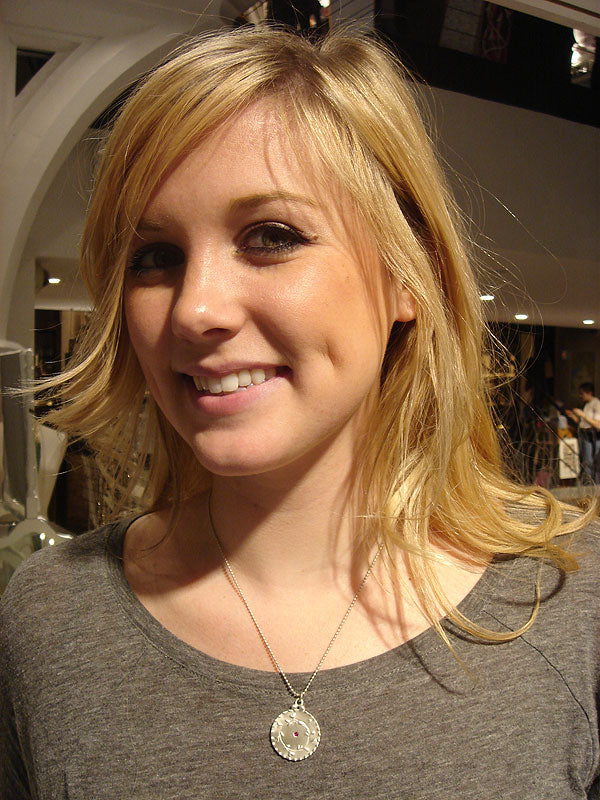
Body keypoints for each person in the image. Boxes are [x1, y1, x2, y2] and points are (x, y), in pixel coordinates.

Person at [1, 26, 599, 799]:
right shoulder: (49, 621)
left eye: (271, 237)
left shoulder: (569, 609)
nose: (196, 309)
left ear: (406, 274)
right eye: (156, 257)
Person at [566, 382, 600, 483]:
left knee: (593, 462)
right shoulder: (586, 405)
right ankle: (589, 482)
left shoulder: (596, 404)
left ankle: (595, 483)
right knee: (586, 461)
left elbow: (597, 424)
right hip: (585, 435)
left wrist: (583, 415)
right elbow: (583, 423)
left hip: (593, 436)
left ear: (589, 393)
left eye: (582, 393)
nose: (581, 396)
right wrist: (574, 416)